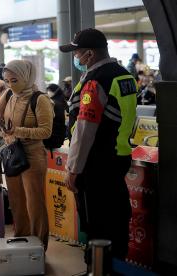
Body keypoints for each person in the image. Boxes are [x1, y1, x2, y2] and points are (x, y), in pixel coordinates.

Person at [60, 28, 137, 268]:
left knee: (97, 223)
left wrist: (73, 169)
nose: (76, 58)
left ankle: (98, 270)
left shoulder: (95, 82)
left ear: (90, 54)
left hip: (95, 164)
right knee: (117, 216)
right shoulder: (124, 76)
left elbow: (84, 131)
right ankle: (118, 266)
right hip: (120, 156)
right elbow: (130, 119)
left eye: (78, 53)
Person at [0, 60, 53, 250]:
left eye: (14, 80)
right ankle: (21, 241)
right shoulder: (10, 94)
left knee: (34, 204)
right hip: (12, 153)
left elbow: (46, 131)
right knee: (16, 201)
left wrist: (18, 131)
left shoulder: (40, 99)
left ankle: (38, 246)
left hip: (32, 156)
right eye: (6, 80)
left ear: (26, 77)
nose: (10, 85)